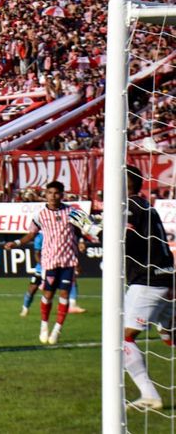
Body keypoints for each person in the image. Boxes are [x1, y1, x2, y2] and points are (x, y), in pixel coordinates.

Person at [3, 181, 85, 345]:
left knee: (64, 294)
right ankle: (44, 325)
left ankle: (57, 330)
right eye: (50, 193)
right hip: (49, 261)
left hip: (68, 260)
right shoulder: (40, 215)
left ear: (62, 195)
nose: (53, 196)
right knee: (48, 295)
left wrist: (81, 242)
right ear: (45, 195)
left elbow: (80, 231)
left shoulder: (72, 212)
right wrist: (16, 243)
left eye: (56, 193)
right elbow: (31, 235)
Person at [122, 165, 175, 411]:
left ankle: (149, 395)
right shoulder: (147, 206)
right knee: (169, 336)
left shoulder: (131, 206)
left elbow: (128, 241)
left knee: (123, 338)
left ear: (126, 183)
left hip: (147, 281)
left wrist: (94, 230)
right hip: (166, 278)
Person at [5, 231, 44, 317]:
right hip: (42, 268)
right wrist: (44, 265)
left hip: (54, 267)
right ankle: (25, 308)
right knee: (32, 288)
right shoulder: (40, 237)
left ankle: (70, 304)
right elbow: (37, 255)